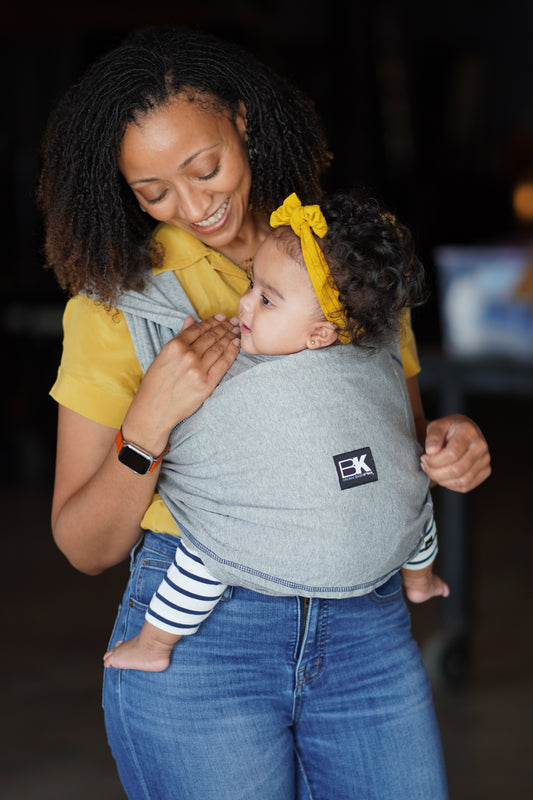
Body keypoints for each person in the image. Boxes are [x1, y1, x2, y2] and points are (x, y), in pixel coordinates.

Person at [38, 24, 490, 800]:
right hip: (202, 634)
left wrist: (454, 442)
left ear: (242, 121)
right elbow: (84, 546)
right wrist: (149, 420)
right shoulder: (118, 309)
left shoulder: (344, 258)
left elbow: (395, 442)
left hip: (366, 626)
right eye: (153, 193)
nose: (192, 206)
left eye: (203, 168)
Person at [103, 190, 449, 674]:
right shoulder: (232, 350)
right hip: (307, 531)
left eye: (266, 299)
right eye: (251, 285)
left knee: (209, 557)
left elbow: (398, 436)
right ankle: (420, 576)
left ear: (321, 335)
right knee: (414, 512)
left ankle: (155, 642)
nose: (244, 305)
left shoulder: (361, 369)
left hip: (342, 531)